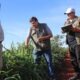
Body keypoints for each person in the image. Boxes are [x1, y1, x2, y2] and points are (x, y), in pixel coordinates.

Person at [62, 8, 80, 80]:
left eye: (69, 14)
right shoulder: (66, 21)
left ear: (73, 13)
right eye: (67, 14)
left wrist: (75, 29)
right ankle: (77, 74)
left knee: (79, 59)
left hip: (77, 42)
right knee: (73, 59)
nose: (67, 15)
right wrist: (63, 30)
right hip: (69, 42)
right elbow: (64, 29)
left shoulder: (79, 19)